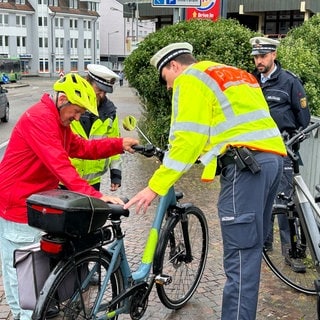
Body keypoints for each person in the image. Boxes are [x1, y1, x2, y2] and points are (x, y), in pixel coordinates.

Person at [123, 42, 287, 320]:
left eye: (165, 78)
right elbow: (232, 125)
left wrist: (155, 186)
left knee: (239, 258)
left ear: (174, 66)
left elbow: (187, 139)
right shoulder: (235, 74)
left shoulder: (191, 79)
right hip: (271, 163)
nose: (168, 87)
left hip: (246, 170)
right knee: (249, 256)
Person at [0, 73, 138, 320]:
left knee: (37, 288)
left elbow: (82, 148)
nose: (77, 117)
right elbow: (61, 166)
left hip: (38, 206)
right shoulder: (40, 119)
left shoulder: (58, 122)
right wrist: (97, 196)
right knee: (25, 296)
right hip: (18, 209)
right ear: (62, 99)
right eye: (76, 111)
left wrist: (118, 144)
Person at [249, 36, 311, 273]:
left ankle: (291, 253)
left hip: (283, 150)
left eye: (263, 56)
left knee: (283, 201)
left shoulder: (289, 82)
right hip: (256, 150)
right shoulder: (250, 81)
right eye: (256, 57)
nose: (259, 61)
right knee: (260, 198)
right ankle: (264, 244)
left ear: (273, 55)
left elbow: (303, 118)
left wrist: (291, 143)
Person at [70, 64, 122, 191]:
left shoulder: (109, 112)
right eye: (99, 89)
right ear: (87, 82)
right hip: (65, 180)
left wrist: (116, 173)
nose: (102, 95)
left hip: (92, 181)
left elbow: (114, 143)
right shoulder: (69, 105)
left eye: (105, 91)